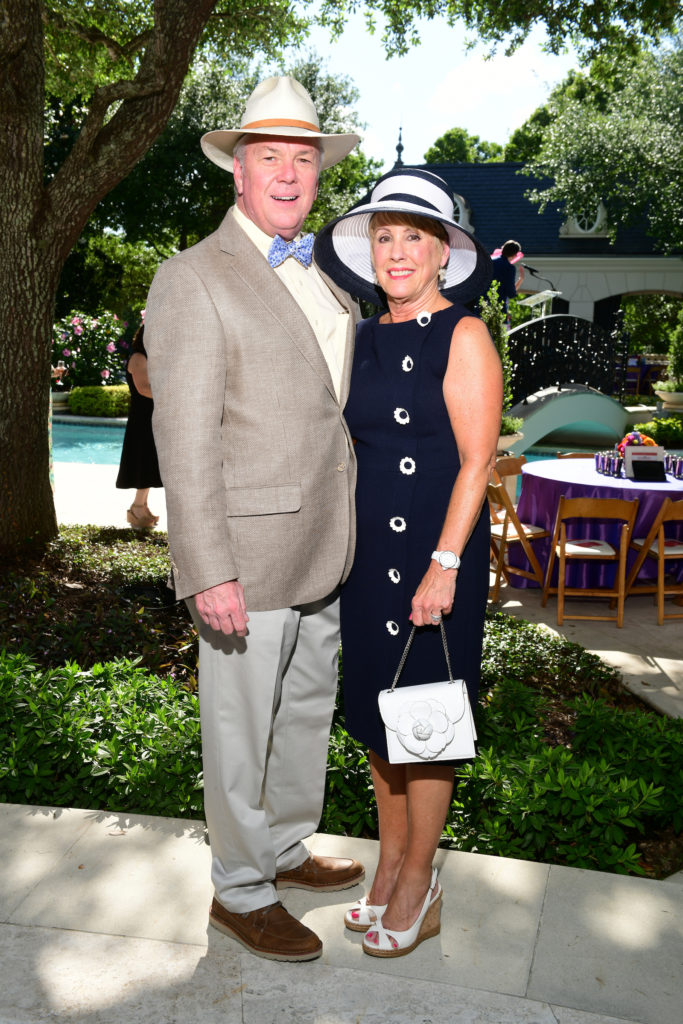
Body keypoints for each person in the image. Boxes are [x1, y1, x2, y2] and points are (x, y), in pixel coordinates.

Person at [144, 76, 365, 962]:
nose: (287, 174)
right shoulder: (192, 277)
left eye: (302, 159)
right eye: (268, 157)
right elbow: (183, 436)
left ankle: (283, 847)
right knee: (240, 728)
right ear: (236, 172)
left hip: (322, 543)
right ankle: (239, 889)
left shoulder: (319, 274)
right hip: (246, 551)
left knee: (304, 708)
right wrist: (207, 566)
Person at [314, 168, 502, 957]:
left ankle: (420, 881)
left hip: (434, 550)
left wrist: (445, 563)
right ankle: (388, 865)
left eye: (413, 238)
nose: (396, 251)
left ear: (442, 252)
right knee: (376, 717)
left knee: (424, 723)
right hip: (367, 559)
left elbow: (476, 461)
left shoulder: (464, 333)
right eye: (383, 237)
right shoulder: (360, 336)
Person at [116, 323, 162, 529]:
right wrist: (172, 394)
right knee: (144, 462)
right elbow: (144, 389)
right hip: (142, 419)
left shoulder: (149, 357)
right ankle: (136, 508)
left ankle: (141, 506)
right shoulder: (138, 358)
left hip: (151, 416)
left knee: (150, 462)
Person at [491, 239, 524, 324]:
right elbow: (511, 293)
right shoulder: (509, 268)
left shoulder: (490, 261)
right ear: (515, 254)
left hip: (481, 307)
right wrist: (521, 279)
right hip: (497, 310)